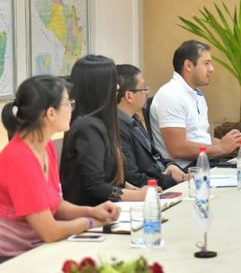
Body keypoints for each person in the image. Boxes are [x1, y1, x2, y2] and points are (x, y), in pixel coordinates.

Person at [0, 76, 120, 259]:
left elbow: (55, 204)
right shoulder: (20, 160)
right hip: (14, 256)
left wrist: (92, 210)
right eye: (67, 104)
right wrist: (89, 222)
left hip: (37, 246)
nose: (72, 109)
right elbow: (50, 232)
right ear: (50, 114)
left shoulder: (45, 145)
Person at [60, 55, 149, 206]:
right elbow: (96, 186)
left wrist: (134, 190)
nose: (118, 87)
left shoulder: (100, 122)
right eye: (113, 82)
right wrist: (138, 196)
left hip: (109, 207)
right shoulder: (87, 126)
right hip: (91, 212)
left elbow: (110, 176)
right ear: (98, 87)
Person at [150, 40, 241, 170]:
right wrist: (221, 148)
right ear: (188, 65)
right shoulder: (171, 94)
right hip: (186, 170)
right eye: (206, 63)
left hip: (203, 163)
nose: (211, 69)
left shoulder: (196, 93)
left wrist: (231, 145)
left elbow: (199, 136)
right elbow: (178, 149)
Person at [116, 64, 187, 189]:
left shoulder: (134, 119)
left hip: (162, 179)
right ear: (129, 96)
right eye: (143, 88)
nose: (147, 93)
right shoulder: (117, 127)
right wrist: (168, 180)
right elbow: (132, 177)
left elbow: (155, 155)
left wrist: (171, 165)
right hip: (152, 190)